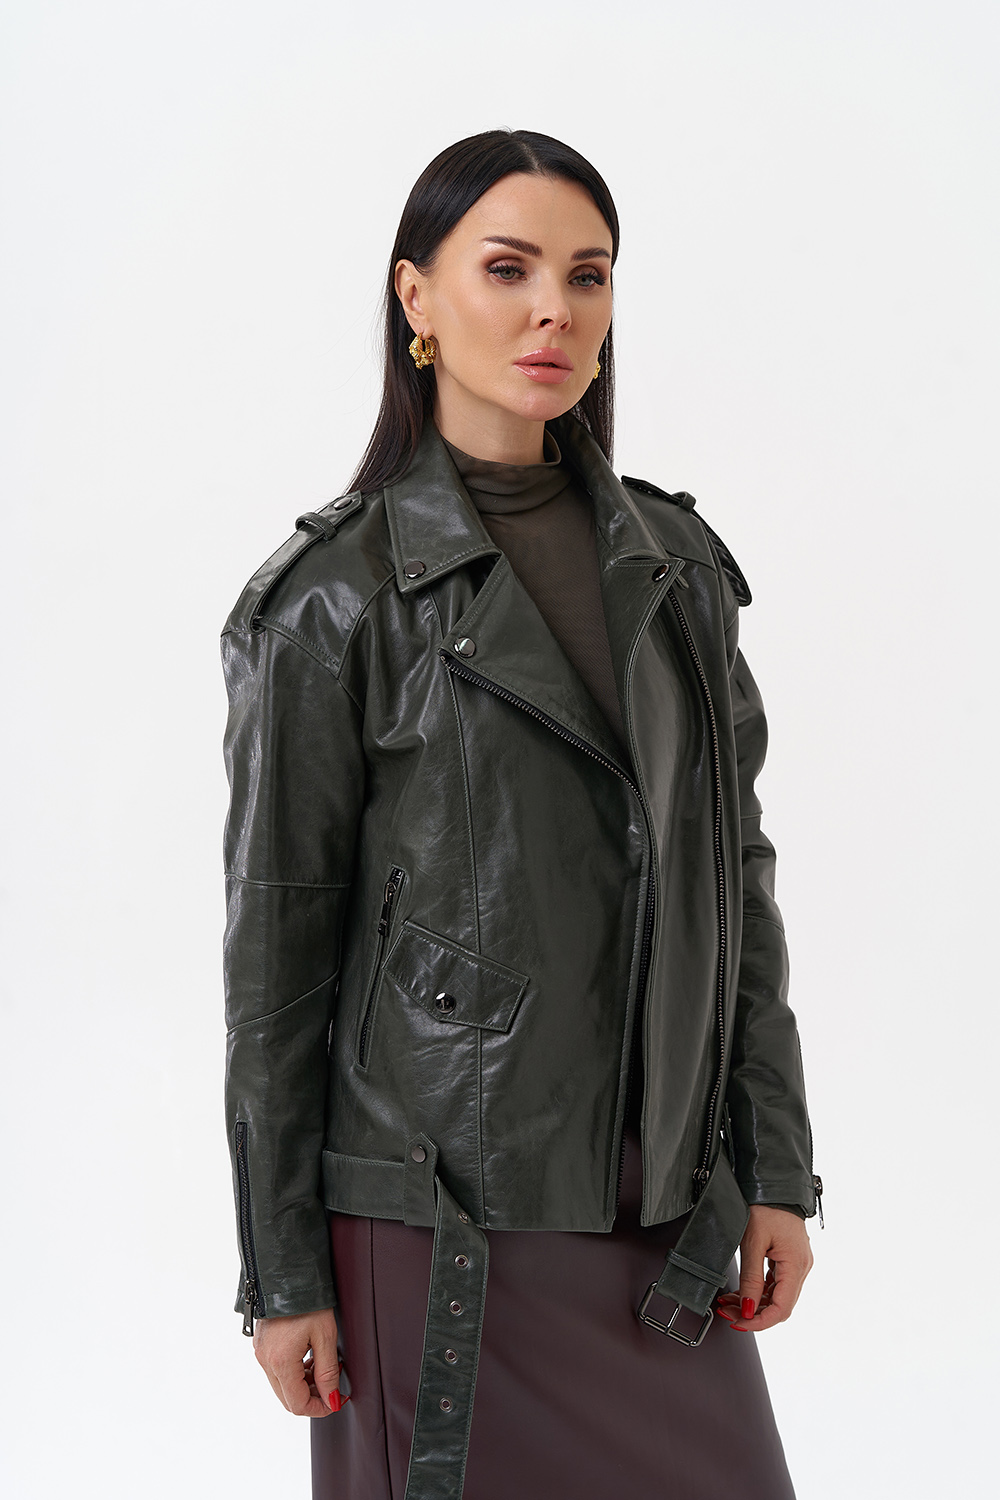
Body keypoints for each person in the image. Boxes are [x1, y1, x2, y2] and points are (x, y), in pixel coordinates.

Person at [220, 128, 823, 1500]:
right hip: (437, 1220)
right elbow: (275, 961)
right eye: (508, 269)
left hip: (662, 1200)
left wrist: (776, 1166)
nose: (555, 308)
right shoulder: (332, 600)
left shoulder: (675, 570)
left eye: (587, 275)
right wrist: (283, 1270)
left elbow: (735, 880)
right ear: (416, 297)